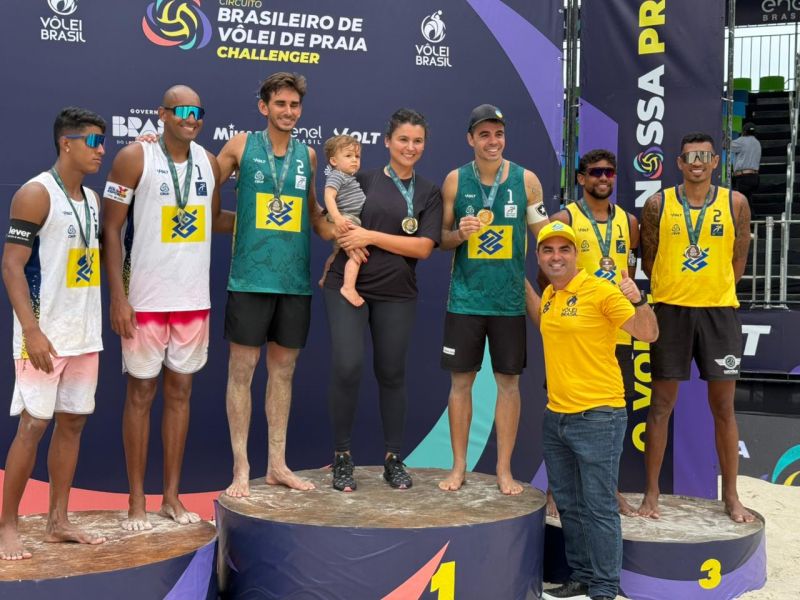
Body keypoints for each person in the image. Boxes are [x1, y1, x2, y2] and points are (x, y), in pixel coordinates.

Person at [103, 85, 226, 530]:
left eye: (199, 111)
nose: (192, 118)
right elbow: (111, 229)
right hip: (145, 301)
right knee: (140, 395)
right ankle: (136, 501)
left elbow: (213, 221)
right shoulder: (135, 158)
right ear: (163, 113)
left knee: (180, 395)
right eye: (183, 110)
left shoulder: (210, 164)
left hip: (192, 301)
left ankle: (171, 497)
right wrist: (118, 296)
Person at [526, 222, 658, 600]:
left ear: (575, 253)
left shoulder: (600, 289)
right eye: (547, 250)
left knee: (599, 506)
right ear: (539, 256)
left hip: (598, 415)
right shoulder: (551, 294)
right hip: (557, 417)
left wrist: (639, 298)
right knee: (569, 503)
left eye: (563, 249)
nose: (555, 256)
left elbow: (648, 333)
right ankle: (582, 577)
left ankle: (604, 588)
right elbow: (547, 324)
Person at [216, 72, 332, 497]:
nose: (288, 112)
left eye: (294, 105)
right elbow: (199, 185)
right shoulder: (240, 146)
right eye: (280, 104)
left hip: (294, 283)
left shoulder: (310, 156)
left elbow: (315, 215)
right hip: (249, 279)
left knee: (282, 373)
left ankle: (277, 465)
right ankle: (241, 467)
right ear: (264, 107)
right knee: (242, 372)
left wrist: (344, 229)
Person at [1, 107, 108, 559]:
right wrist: (32, 330)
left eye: (103, 141)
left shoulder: (94, 199)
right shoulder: (34, 194)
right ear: (67, 142)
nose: (101, 149)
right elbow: (11, 265)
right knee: (34, 424)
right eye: (92, 141)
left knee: (73, 423)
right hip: (42, 334)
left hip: (85, 333)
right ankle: (7, 525)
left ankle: (57, 522)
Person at [638, 132, 754, 523]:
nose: (697, 162)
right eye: (690, 156)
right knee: (660, 406)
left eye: (704, 155)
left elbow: (738, 263)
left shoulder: (735, 203)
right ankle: (651, 494)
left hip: (718, 312)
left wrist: (712, 287)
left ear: (716, 161)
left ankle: (732, 496)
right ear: (679, 163)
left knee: (723, 407)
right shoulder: (658, 204)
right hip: (671, 311)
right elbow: (650, 262)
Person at [324, 108, 443, 492]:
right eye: (403, 139)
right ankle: (341, 458)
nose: (410, 147)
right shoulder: (361, 178)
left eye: (418, 140)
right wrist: (344, 234)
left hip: (397, 293)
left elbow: (424, 247)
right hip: (348, 285)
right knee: (347, 367)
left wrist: (370, 236)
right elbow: (332, 221)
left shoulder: (429, 192)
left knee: (391, 374)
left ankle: (394, 458)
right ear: (387, 141)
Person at [437, 104, 548, 495]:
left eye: (498, 133)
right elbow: (441, 239)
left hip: (509, 303)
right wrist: (459, 235)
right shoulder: (455, 180)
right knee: (460, 385)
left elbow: (543, 235)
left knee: (509, 385)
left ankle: (503, 470)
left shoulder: (526, 180)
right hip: (466, 301)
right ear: (470, 139)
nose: (492, 141)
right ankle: (458, 467)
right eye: (483, 134)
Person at [539, 149, 639, 516]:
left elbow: (629, 269)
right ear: (581, 178)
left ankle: (609, 490)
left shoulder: (629, 222)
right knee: (562, 411)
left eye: (610, 172)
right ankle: (554, 491)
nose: (603, 178)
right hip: (574, 327)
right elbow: (548, 272)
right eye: (595, 172)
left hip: (615, 328)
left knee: (609, 419)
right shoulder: (566, 217)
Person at [319, 134, 367, 307]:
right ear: (333, 161)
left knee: (336, 253)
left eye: (357, 156)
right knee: (356, 254)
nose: (354, 160)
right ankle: (348, 287)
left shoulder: (348, 177)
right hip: (345, 218)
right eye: (348, 156)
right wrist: (338, 218)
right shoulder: (337, 175)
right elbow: (329, 196)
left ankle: (326, 276)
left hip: (349, 218)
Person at [731, 122, 761, 203]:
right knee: (748, 201)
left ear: (744, 132)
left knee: (741, 203)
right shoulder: (757, 143)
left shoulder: (742, 141)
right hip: (754, 177)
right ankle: (752, 215)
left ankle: (751, 215)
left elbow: (726, 146)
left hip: (743, 178)